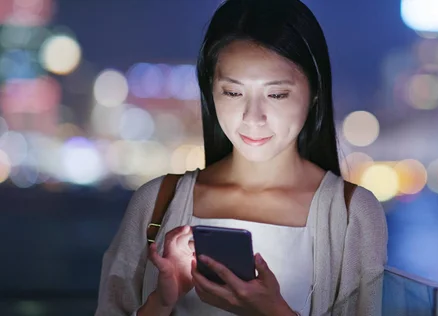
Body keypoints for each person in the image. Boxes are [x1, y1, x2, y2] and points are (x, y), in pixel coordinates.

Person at [95, 0, 388, 315]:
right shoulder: (156, 203)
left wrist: (272, 310)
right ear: (210, 91)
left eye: (276, 94)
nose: (253, 117)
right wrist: (161, 301)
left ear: (315, 91)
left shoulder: (351, 214)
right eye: (233, 93)